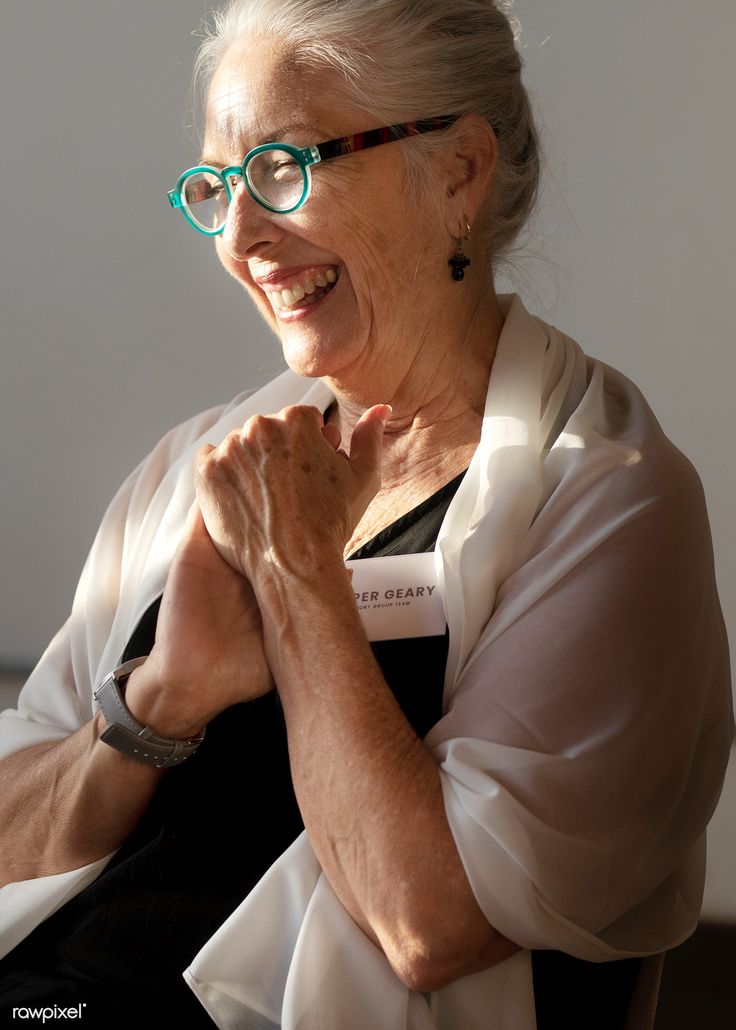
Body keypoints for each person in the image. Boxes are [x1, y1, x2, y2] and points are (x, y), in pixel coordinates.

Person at [0, 1, 731, 1027]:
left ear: (458, 175)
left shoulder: (609, 499)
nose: (242, 236)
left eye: (284, 168)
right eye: (217, 186)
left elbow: (427, 923)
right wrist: (158, 705)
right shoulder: (194, 466)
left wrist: (300, 578)